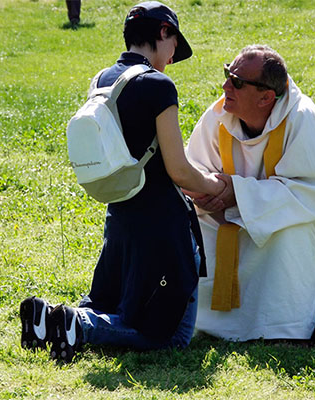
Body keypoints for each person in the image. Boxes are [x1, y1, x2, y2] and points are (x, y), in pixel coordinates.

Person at [20, 1, 226, 362]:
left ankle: (48, 317)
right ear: (164, 32)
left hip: (121, 216)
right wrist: (214, 185)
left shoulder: (102, 80)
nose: (172, 58)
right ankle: (80, 325)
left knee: (126, 310)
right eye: (174, 46)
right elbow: (177, 169)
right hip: (164, 225)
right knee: (170, 337)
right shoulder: (159, 85)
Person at [183, 45, 315, 341]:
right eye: (227, 74)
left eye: (237, 82)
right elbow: (197, 167)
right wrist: (213, 196)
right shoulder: (218, 116)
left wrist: (236, 195)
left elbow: (309, 195)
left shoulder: (302, 118)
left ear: (267, 97)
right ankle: (205, 322)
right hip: (233, 210)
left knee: (284, 231)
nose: (226, 85)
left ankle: (280, 327)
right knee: (195, 227)